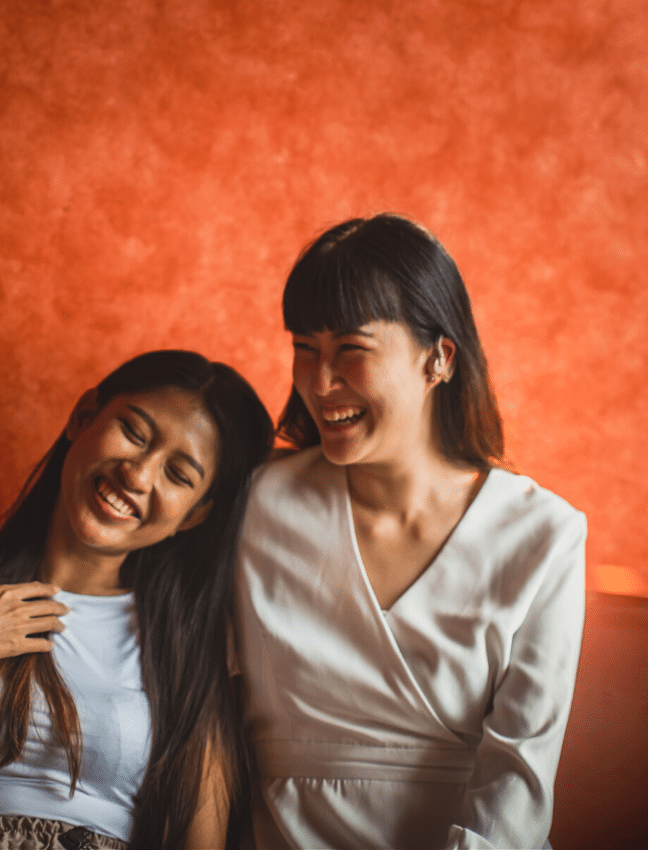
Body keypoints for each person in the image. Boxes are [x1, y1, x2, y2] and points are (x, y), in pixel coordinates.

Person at [0, 350, 274, 850]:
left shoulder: (192, 643)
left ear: (195, 515)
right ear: (83, 416)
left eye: (179, 475)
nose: (139, 475)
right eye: (134, 432)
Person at [233, 215, 587, 849]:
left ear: (438, 358)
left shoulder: (543, 536)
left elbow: (519, 780)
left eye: (351, 349)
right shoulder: (256, 502)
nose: (319, 382)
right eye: (304, 348)